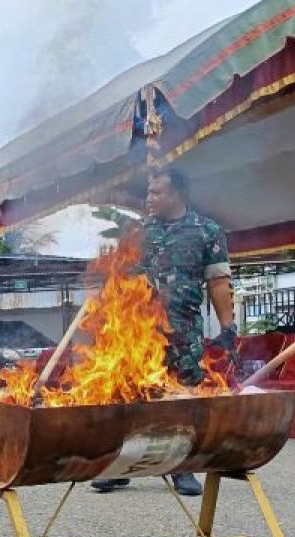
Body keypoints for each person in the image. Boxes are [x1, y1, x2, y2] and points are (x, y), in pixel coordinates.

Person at [91, 167, 236, 497]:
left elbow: (218, 282)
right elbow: (120, 281)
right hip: (138, 332)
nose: (149, 198)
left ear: (178, 194)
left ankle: (182, 469)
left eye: (157, 192)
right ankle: (120, 467)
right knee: (130, 397)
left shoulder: (207, 231)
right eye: (148, 192)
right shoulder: (139, 232)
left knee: (182, 400)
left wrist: (228, 327)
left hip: (184, 332)